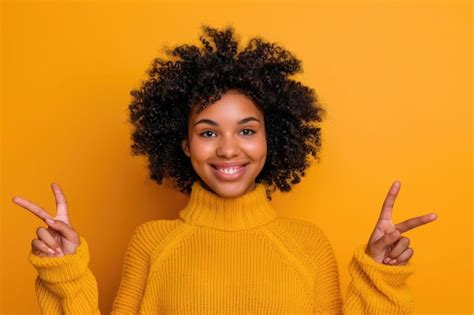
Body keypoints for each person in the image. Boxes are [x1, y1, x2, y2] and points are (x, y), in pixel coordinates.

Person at [13, 25, 438, 314]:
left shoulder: (308, 246)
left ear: (272, 139)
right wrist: (65, 272)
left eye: (247, 130)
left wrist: (380, 277)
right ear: (184, 144)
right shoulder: (152, 242)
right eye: (209, 133)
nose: (229, 150)